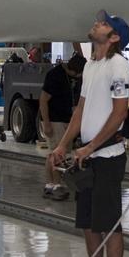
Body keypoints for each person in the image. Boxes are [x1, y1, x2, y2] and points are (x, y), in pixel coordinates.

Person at [48, 11, 129, 257]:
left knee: (108, 225)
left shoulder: (118, 66)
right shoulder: (91, 66)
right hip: (87, 156)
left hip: (107, 157)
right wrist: (63, 144)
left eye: (105, 24)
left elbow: (120, 112)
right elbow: (81, 110)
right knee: (88, 223)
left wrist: (92, 146)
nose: (97, 23)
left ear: (114, 37)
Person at [40, 56, 76, 201]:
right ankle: (56, 185)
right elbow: (43, 100)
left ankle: (50, 185)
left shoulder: (71, 77)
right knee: (57, 153)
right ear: (70, 69)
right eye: (76, 74)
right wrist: (47, 123)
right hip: (54, 120)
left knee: (58, 153)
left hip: (65, 119)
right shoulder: (55, 75)